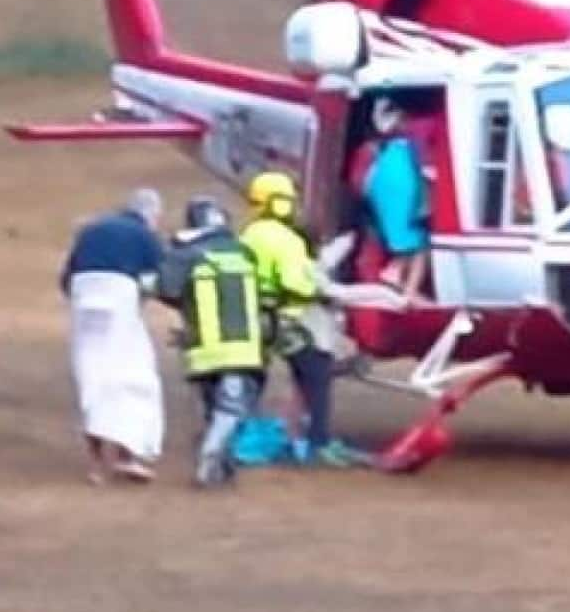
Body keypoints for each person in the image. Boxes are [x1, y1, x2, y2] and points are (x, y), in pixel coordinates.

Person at [241, 170, 365, 467]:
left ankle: (279, 433)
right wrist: (324, 293)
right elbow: (297, 282)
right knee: (317, 375)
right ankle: (317, 441)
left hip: (258, 315)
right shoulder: (285, 240)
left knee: (272, 379)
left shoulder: (249, 234)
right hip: (290, 318)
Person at [156, 195, 266, 489]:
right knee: (231, 409)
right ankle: (210, 457)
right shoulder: (245, 252)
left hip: (201, 346)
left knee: (213, 407)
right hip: (242, 347)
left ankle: (222, 465)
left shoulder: (185, 253)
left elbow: (166, 289)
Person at [59, 187, 166, 484]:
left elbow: (67, 278)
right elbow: (162, 277)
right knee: (132, 374)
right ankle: (127, 454)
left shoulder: (91, 230)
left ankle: (96, 464)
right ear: (151, 215)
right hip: (119, 296)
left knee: (92, 376)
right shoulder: (144, 234)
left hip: (84, 296)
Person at [349, 98, 434, 301]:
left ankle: (402, 281)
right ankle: (404, 286)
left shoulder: (382, 151)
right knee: (420, 245)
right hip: (401, 194)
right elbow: (422, 174)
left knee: (411, 243)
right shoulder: (407, 145)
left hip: (388, 195)